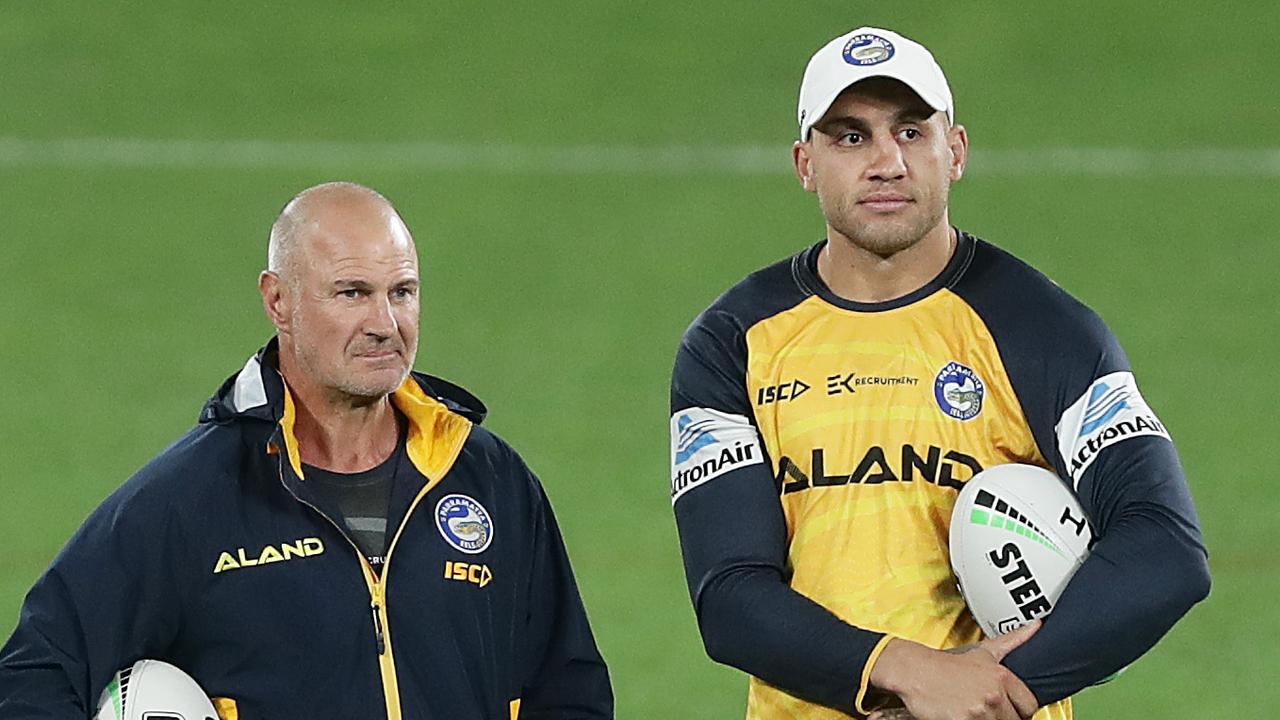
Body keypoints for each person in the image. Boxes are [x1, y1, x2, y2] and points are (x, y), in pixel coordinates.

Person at [668, 27, 1209, 720]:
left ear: (954, 152)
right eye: (850, 137)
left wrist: (998, 690)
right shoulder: (733, 343)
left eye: (911, 132)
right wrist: (911, 677)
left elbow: (1164, 546)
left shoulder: (1041, 329)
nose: (887, 162)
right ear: (806, 162)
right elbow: (731, 596)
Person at [0, 182, 613, 719]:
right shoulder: (193, 499)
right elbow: (36, 672)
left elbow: (568, 689)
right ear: (278, 301)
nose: (385, 323)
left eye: (402, 292)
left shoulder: (490, 481)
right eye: (351, 293)